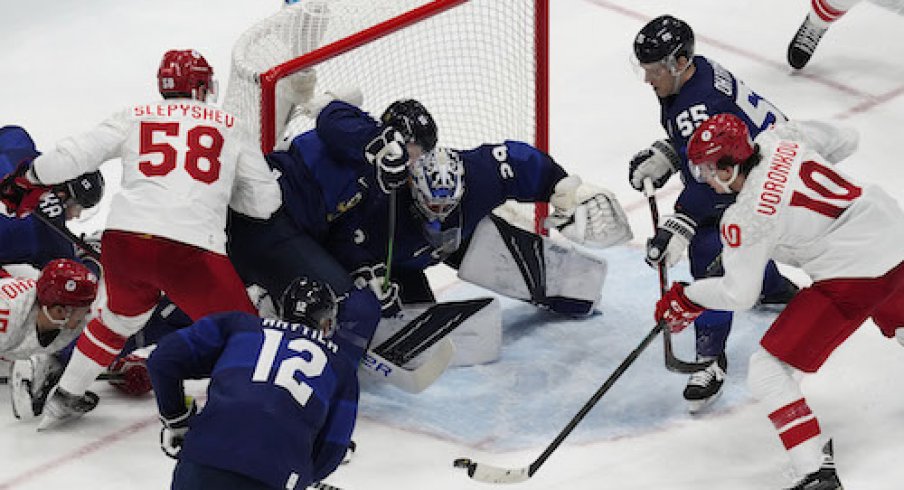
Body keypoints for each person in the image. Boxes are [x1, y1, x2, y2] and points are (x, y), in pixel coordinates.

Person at [0, 48, 282, 430]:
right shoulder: (230, 123)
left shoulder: (135, 115)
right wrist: (226, 193)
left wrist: (29, 178)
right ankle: (263, 418)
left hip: (126, 239)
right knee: (245, 332)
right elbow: (265, 203)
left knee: (117, 320)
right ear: (201, 86)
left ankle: (66, 395)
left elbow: (74, 153)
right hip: (191, 249)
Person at [655, 113, 903, 489]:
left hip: (854, 273)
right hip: (893, 232)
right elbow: (847, 139)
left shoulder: (747, 217)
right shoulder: (781, 138)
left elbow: (740, 295)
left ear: (729, 166)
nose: (704, 178)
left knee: (768, 370)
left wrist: (689, 298)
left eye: (708, 169)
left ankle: (813, 471)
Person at [261, 97, 629, 326]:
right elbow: (346, 238)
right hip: (402, 259)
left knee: (570, 287)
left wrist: (562, 189)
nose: (438, 211)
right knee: (405, 327)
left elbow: (515, 161)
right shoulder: (381, 195)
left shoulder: (473, 174)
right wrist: (365, 274)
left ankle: (572, 292)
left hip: (457, 239)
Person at [629, 14, 801, 412]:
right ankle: (772, 287)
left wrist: (683, 221)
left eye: (654, 70)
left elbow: (713, 181)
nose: (647, 79)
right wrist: (670, 152)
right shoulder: (698, 74)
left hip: (769, 183)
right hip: (767, 167)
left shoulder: (699, 101)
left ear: (680, 62)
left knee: (709, 250)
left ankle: (710, 357)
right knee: (726, 241)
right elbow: (715, 140)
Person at [148, 276, 378, 490]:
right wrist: (300, 475)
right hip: (276, 474)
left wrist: (176, 418)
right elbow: (333, 448)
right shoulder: (340, 367)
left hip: (205, 458)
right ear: (327, 325)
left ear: (280, 310)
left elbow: (162, 359)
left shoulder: (239, 325)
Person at [0, 259, 97, 419]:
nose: (88, 311)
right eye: (83, 307)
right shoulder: (7, 315)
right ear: (59, 311)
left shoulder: (63, 316)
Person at [0, 125, 105, 273]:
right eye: (78, 207)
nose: (77, 215)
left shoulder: (19, 145)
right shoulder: (53, 238)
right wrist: (92, 259)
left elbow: (12, 132)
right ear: (63, 195)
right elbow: (80, 279)